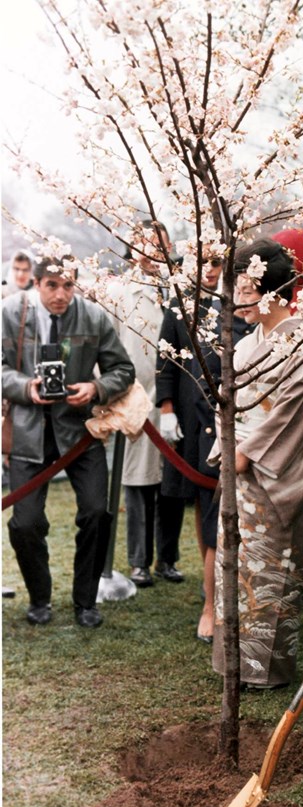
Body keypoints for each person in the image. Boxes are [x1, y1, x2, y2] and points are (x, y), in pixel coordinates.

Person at [211, 238, 303, 688]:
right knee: (237, 568)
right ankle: (235, 666)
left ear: (265, 288)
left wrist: (242, 452)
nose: (234, 301)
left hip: (272, 477)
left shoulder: (301, 348)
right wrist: (230, 446)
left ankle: (266, 672)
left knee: (270, 574)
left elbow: (293, 417)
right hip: (240, 473)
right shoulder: (249, 345)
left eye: (240, 289)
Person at [2, 255, 135, 627]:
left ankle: (86, 601)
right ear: (36, 283)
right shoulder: (10, 312)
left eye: (68, 285)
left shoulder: (92, 316)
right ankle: (39, 598)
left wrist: (96, 387)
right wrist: (25, 387)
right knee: (25, 523)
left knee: (96, 511)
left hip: (80, 434)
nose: (61, 295)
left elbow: (122, 369)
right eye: (52, 286)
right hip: (28, 433)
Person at [156, 251, 252, 641]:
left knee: (221, 501)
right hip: (192, 412)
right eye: (204, 263)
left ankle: (224, 584)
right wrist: (166, 407)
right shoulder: (180, 306)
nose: (210, 271)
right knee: (204, 495)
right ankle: (208, 580)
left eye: (217, 264)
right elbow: (166, 359)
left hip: (231, 416)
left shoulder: (235, 307)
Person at [111, 219, 185, 588]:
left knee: (170, 481)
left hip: (173, 397)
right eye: (145, 242)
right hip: (135, 397)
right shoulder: (119, 291)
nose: (154, 249)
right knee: (138, 484)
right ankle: (138, 561)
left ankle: (166, 558)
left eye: (160, 242)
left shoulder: (178, 288)